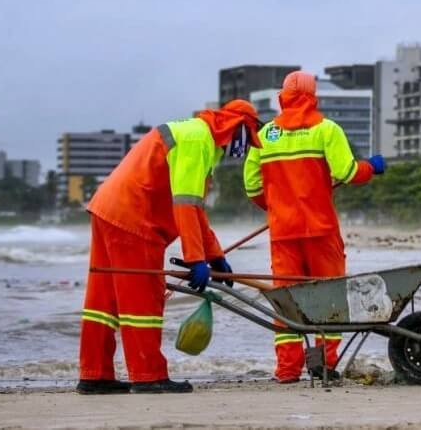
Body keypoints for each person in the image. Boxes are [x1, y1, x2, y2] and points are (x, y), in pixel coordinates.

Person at [78, 100, 263, 394]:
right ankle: (148, 376)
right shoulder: (198, 141)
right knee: (143, 300)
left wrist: (214, 255)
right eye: (248, 140)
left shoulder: (198, 137)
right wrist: (195, 259)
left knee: (104, 301)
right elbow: (186, 205)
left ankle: (94, 375)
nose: (244, 149)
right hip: (135, 219)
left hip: (109, 210)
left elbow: (195, 209)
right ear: (236, 127)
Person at [244, 71, 386, 383]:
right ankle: (323, 365)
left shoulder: (265, 135)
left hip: (283, 233)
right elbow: (347, 172)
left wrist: (277, 208)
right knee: (330, 298)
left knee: (286, 301)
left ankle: (287, 371)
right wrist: (371, 167)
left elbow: (252, 185)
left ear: (282, 97)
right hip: (321, 231)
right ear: (313, 97)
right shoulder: (326, 129)